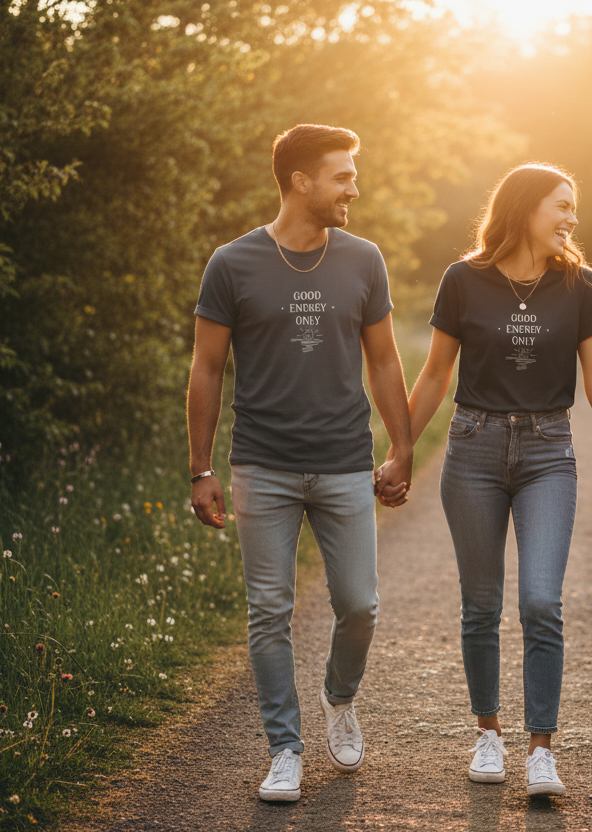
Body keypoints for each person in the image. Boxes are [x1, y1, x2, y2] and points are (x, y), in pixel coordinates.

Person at [396, 163, 592, 796]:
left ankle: (540, 750)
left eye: (574, 208)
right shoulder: (463, 280)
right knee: (480, 603)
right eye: (562, 205)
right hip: (473, 447)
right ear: (526, 207)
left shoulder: (580, 286)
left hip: (547, 451)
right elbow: (433, 377)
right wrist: (400, 450)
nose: (571, 218)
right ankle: (487, 734)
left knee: (540, 601)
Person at [186, 123, 413, 802]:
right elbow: (206, 369)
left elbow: (384, 359)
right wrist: (200, 468)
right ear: (300, 182)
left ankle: (339, 699)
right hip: (264, 465)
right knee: (269, 610)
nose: (355, 188)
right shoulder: (232, 263)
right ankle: (284, 747)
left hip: (345, 460)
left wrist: (402, 448)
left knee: (360, 604)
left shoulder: (363, 259)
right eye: (343, 176)